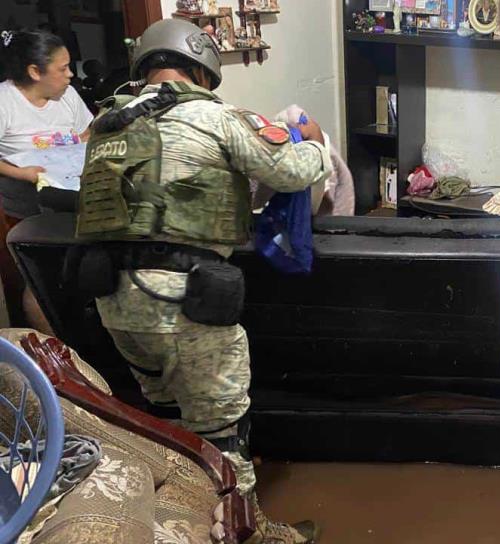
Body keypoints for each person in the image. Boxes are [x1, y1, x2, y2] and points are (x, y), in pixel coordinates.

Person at [73, 19, 332, 543]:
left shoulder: (105, 122)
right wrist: (318, 144)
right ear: (201, 66)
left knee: (164, 419)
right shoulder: (217, 118)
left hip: (113, 300)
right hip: (185, 301)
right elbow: (291, 171)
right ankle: (252, 536)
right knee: (222, 432)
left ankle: (181, 521)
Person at [0, 29, 91, 333]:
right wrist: (22, 173)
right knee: (41, 281)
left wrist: (77, 149)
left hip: (71, 204)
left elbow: (88, 132)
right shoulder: (5, 100)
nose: (69, 76)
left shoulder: (67, 97)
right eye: (62, 69)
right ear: (34, 71)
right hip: (25, 211)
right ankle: (55, 359)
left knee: (79, 274)